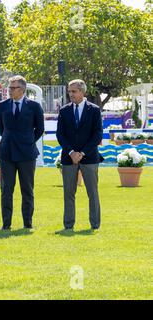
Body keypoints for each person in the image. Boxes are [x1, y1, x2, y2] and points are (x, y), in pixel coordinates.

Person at [0, 75, 44, 231]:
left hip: (27, 153)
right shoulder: (2, 106)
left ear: (22, 89)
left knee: (27, 189)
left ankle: (27, 222)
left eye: (13, 88)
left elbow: (40, 129)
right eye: (9, 87)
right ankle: (6, 224)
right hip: (7, 153)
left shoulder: (34, 106)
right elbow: (1, 128)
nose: (10, 90)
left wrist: (28, 140)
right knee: (6, 190)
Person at [56, 79, 103, 231]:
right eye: (69, 91)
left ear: (82, 92)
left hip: (89, 157)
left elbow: (97, 135)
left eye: (74, 91)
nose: (71, 94)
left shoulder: (94, 110)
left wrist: (82, 153)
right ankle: (68, 225)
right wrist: (71, 152)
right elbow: (60, 135)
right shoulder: (64, 110)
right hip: (68, 158)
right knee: (69, 193)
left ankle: (95, 224)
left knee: (92, 193)